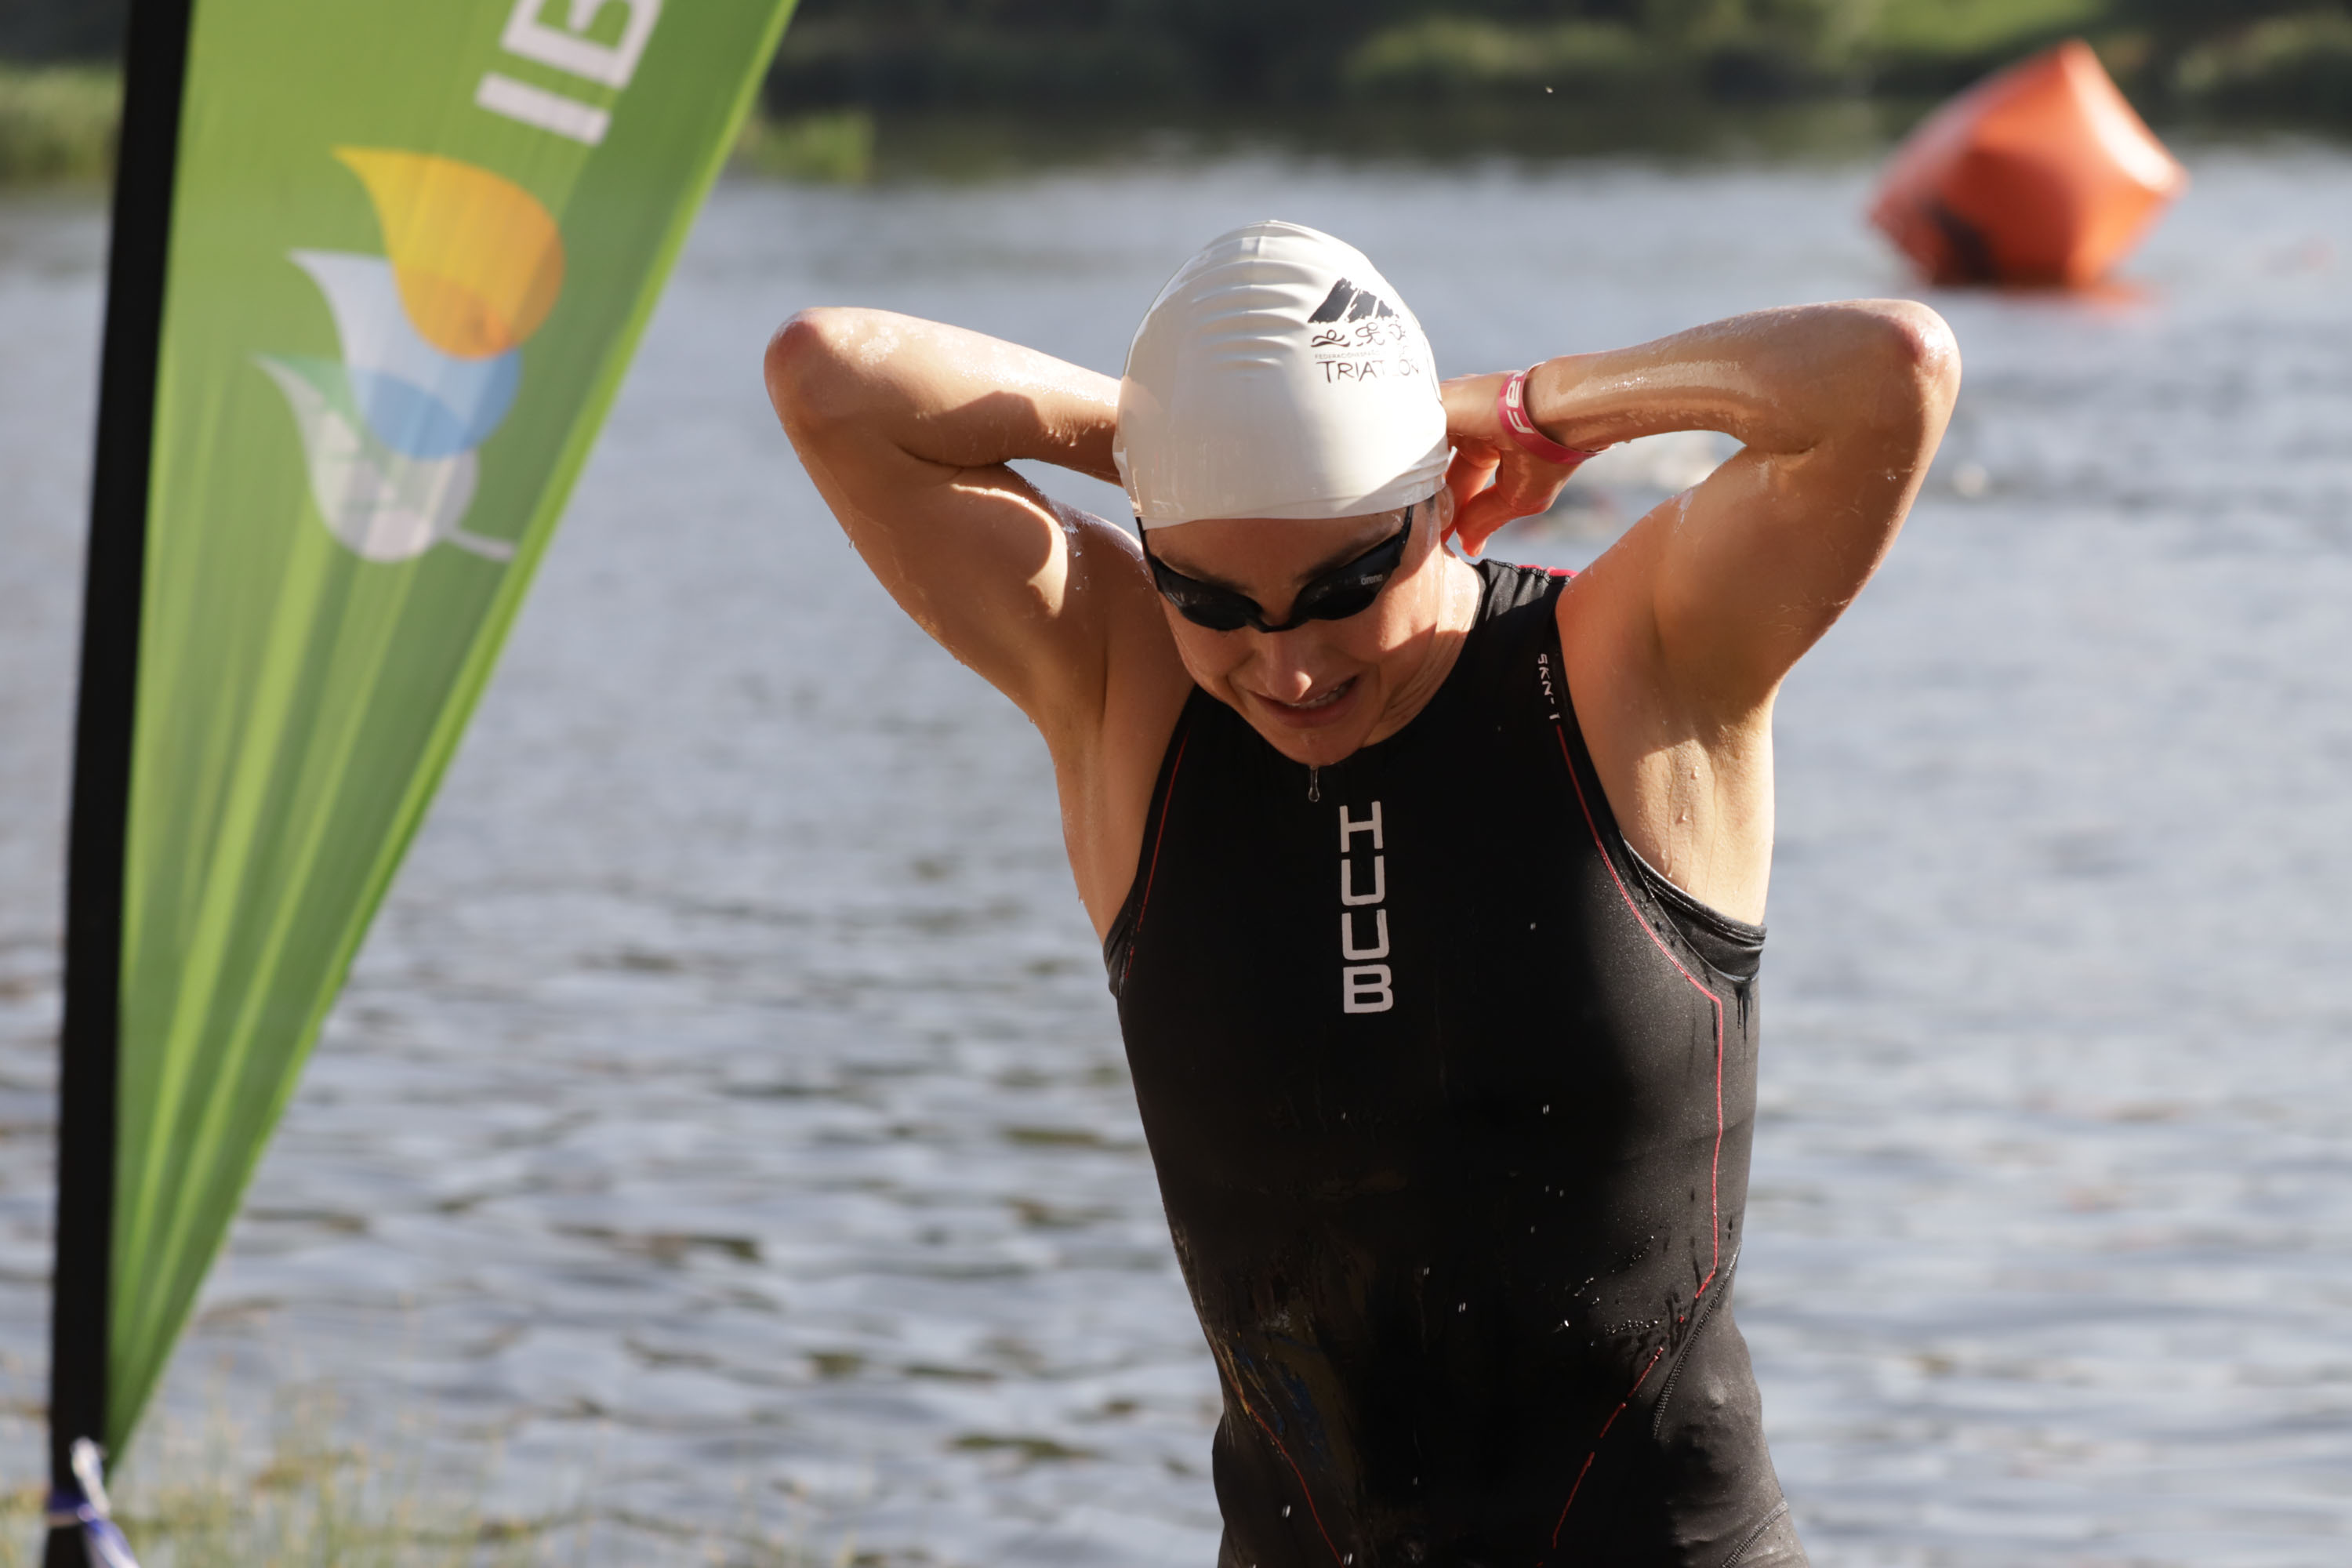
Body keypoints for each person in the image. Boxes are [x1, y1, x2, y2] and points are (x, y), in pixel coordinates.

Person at [766, 221, 1958, 1568]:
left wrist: (1523, 407)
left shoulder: (1636, 669)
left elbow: (1885, 373)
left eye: (1344, 582)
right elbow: (831, 378)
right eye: (1211, 595)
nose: (1288, 663)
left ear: (1439, 503)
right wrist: (1208, 441)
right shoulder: (1125, 689)